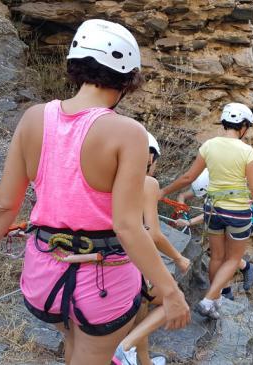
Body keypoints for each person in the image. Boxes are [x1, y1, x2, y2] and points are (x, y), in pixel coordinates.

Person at [0, 19, 189, 364]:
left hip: (45, 272)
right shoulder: (127, 133)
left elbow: (4, 204)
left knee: (73, 348)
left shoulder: (33, 118)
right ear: (126, 80)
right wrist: (169, 289)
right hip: (104, 280)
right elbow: (127, 225)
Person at [160, 102, 253, 319]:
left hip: (212, 209)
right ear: (244, 126)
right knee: (232, 259)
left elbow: (188, 177)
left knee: (216, 257)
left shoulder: (209, 145)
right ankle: (209, 299)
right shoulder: (247, 151)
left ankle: (215, 300)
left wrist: (163, 191)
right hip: (237, 211)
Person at [113, 132, 191, 365]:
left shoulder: (107, 179)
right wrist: (178, 258)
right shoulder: (147, 183)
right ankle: (123, 348)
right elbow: (154, 234)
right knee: (173, 301)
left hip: (104, 258)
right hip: (129, 262)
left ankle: (142, 361)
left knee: (141, 314)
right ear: (149, 157)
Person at [174, 169, 253, 299]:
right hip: (225, 219)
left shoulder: (225, 191)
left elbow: (208, 214)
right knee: (222, 257)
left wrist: (188, 222)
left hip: (245, 220)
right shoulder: (203, 182)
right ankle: (227, 292)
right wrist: (181, 210)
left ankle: (246, 269)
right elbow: (182, 196)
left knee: (228, 258)